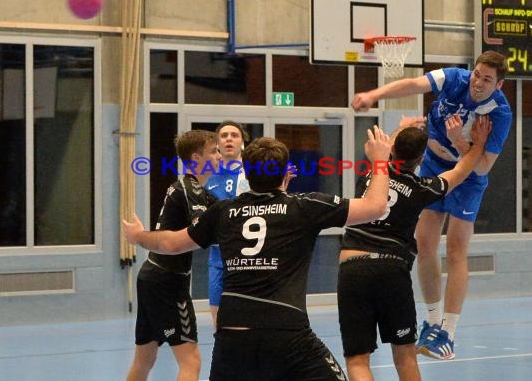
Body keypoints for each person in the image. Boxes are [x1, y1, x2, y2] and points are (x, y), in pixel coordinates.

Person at [123, 129, 392, 381]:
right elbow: (376, 206)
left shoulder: (222, 212)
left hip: (232, 335)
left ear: (246, 172)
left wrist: (138, 237)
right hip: (287, 333)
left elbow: (171, 244)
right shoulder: (304, 207)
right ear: (283, 172)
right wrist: (380, 161)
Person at [351, 50, 512, 360]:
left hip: (468, 178)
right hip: (434, 166)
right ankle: (432, 320)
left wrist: (460, 141)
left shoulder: (499, 114)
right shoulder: (454, 79)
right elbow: (412, 84)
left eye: (487, 79)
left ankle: (448, 332)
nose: (477, 82)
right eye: (477, 74)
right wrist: (374, 94)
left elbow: (482, 168)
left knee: (455, 251)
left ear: (499, 84)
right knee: (424, 245)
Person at [337, 115, 491, 381]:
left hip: (353, 267)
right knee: (405, 354)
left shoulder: (374, 173)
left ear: (392, 152)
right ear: (421, 161)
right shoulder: (421, 188)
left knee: (358, 359)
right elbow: (461, 171)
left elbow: (386, 147)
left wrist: (403, 125)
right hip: (391, 269)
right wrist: (478, 144)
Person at [126, 130, 220, 381]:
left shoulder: (198, 191)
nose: (220, 156)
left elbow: (223, 213)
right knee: (191, 362)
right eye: (214, 151)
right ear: (196, 158)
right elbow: (203, 230)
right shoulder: (191, 191)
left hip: (151, 276)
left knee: (144, 358)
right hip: (168, 282)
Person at [204, 121, 249, 330]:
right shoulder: (207, 176)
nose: (229, 139)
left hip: (245, 258)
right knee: (219, 322)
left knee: (246, 320)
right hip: (217, 260)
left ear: (242, 142)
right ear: (217, 144)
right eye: (224, 136)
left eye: (234, 135)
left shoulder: (252, 174)